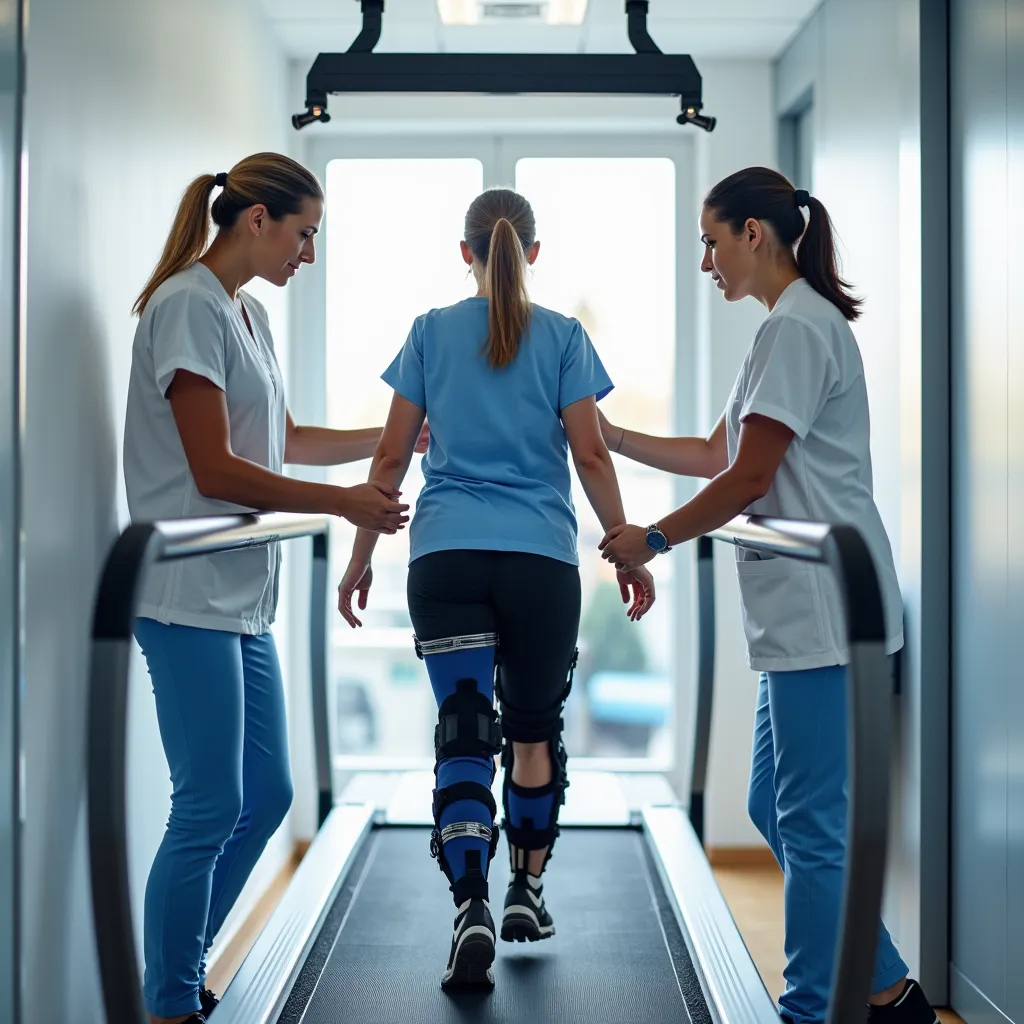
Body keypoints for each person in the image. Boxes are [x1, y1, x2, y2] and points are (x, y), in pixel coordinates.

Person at [597, 166, 938, 1024]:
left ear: (755, 233)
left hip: (827, 617)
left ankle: (811, 1007)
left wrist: (655, 538)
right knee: (772, 806)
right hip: (799, 619)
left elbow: (750, 477)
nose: (707, 262)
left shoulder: (799, 329)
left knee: (812, 823)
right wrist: (613, 436)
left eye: (712, 242)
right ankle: (890, 989)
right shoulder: (778, 329)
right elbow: (718, 452)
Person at [124, 152, 421, 1024]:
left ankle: (175, 973)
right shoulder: (186, 304)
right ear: (257, 221)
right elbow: (216, 468)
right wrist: (343, 503)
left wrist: (403, 430)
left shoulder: (246, 313)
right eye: (304, 234)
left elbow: (281, 437)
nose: (309, 254)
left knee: (269, 796)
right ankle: (171, 1001)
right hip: (184, 598)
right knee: (211, 802)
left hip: (243, 601)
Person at [337, 187, 656, 990]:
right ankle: (526, 892)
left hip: (444, 557)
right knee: (532, 733)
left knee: (463, 729)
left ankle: (470, 904)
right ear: (533, 254)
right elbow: (590, 456)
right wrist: (625, 548)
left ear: (465, 252)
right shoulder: (563, 336)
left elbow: (388, 462)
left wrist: (361, 558)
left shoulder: (428, 333)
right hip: (540, 563)